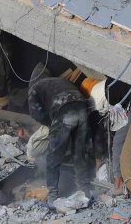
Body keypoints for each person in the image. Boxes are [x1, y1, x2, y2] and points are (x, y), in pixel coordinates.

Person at [28, 70, 93, 200]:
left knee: (53, 158)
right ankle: (85, 192)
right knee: (79, 154)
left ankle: (52, 196)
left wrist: (52, 128)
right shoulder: (60, 82)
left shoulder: (34, 89)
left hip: (65, 111)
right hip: (83, 110)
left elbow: (36, 114)